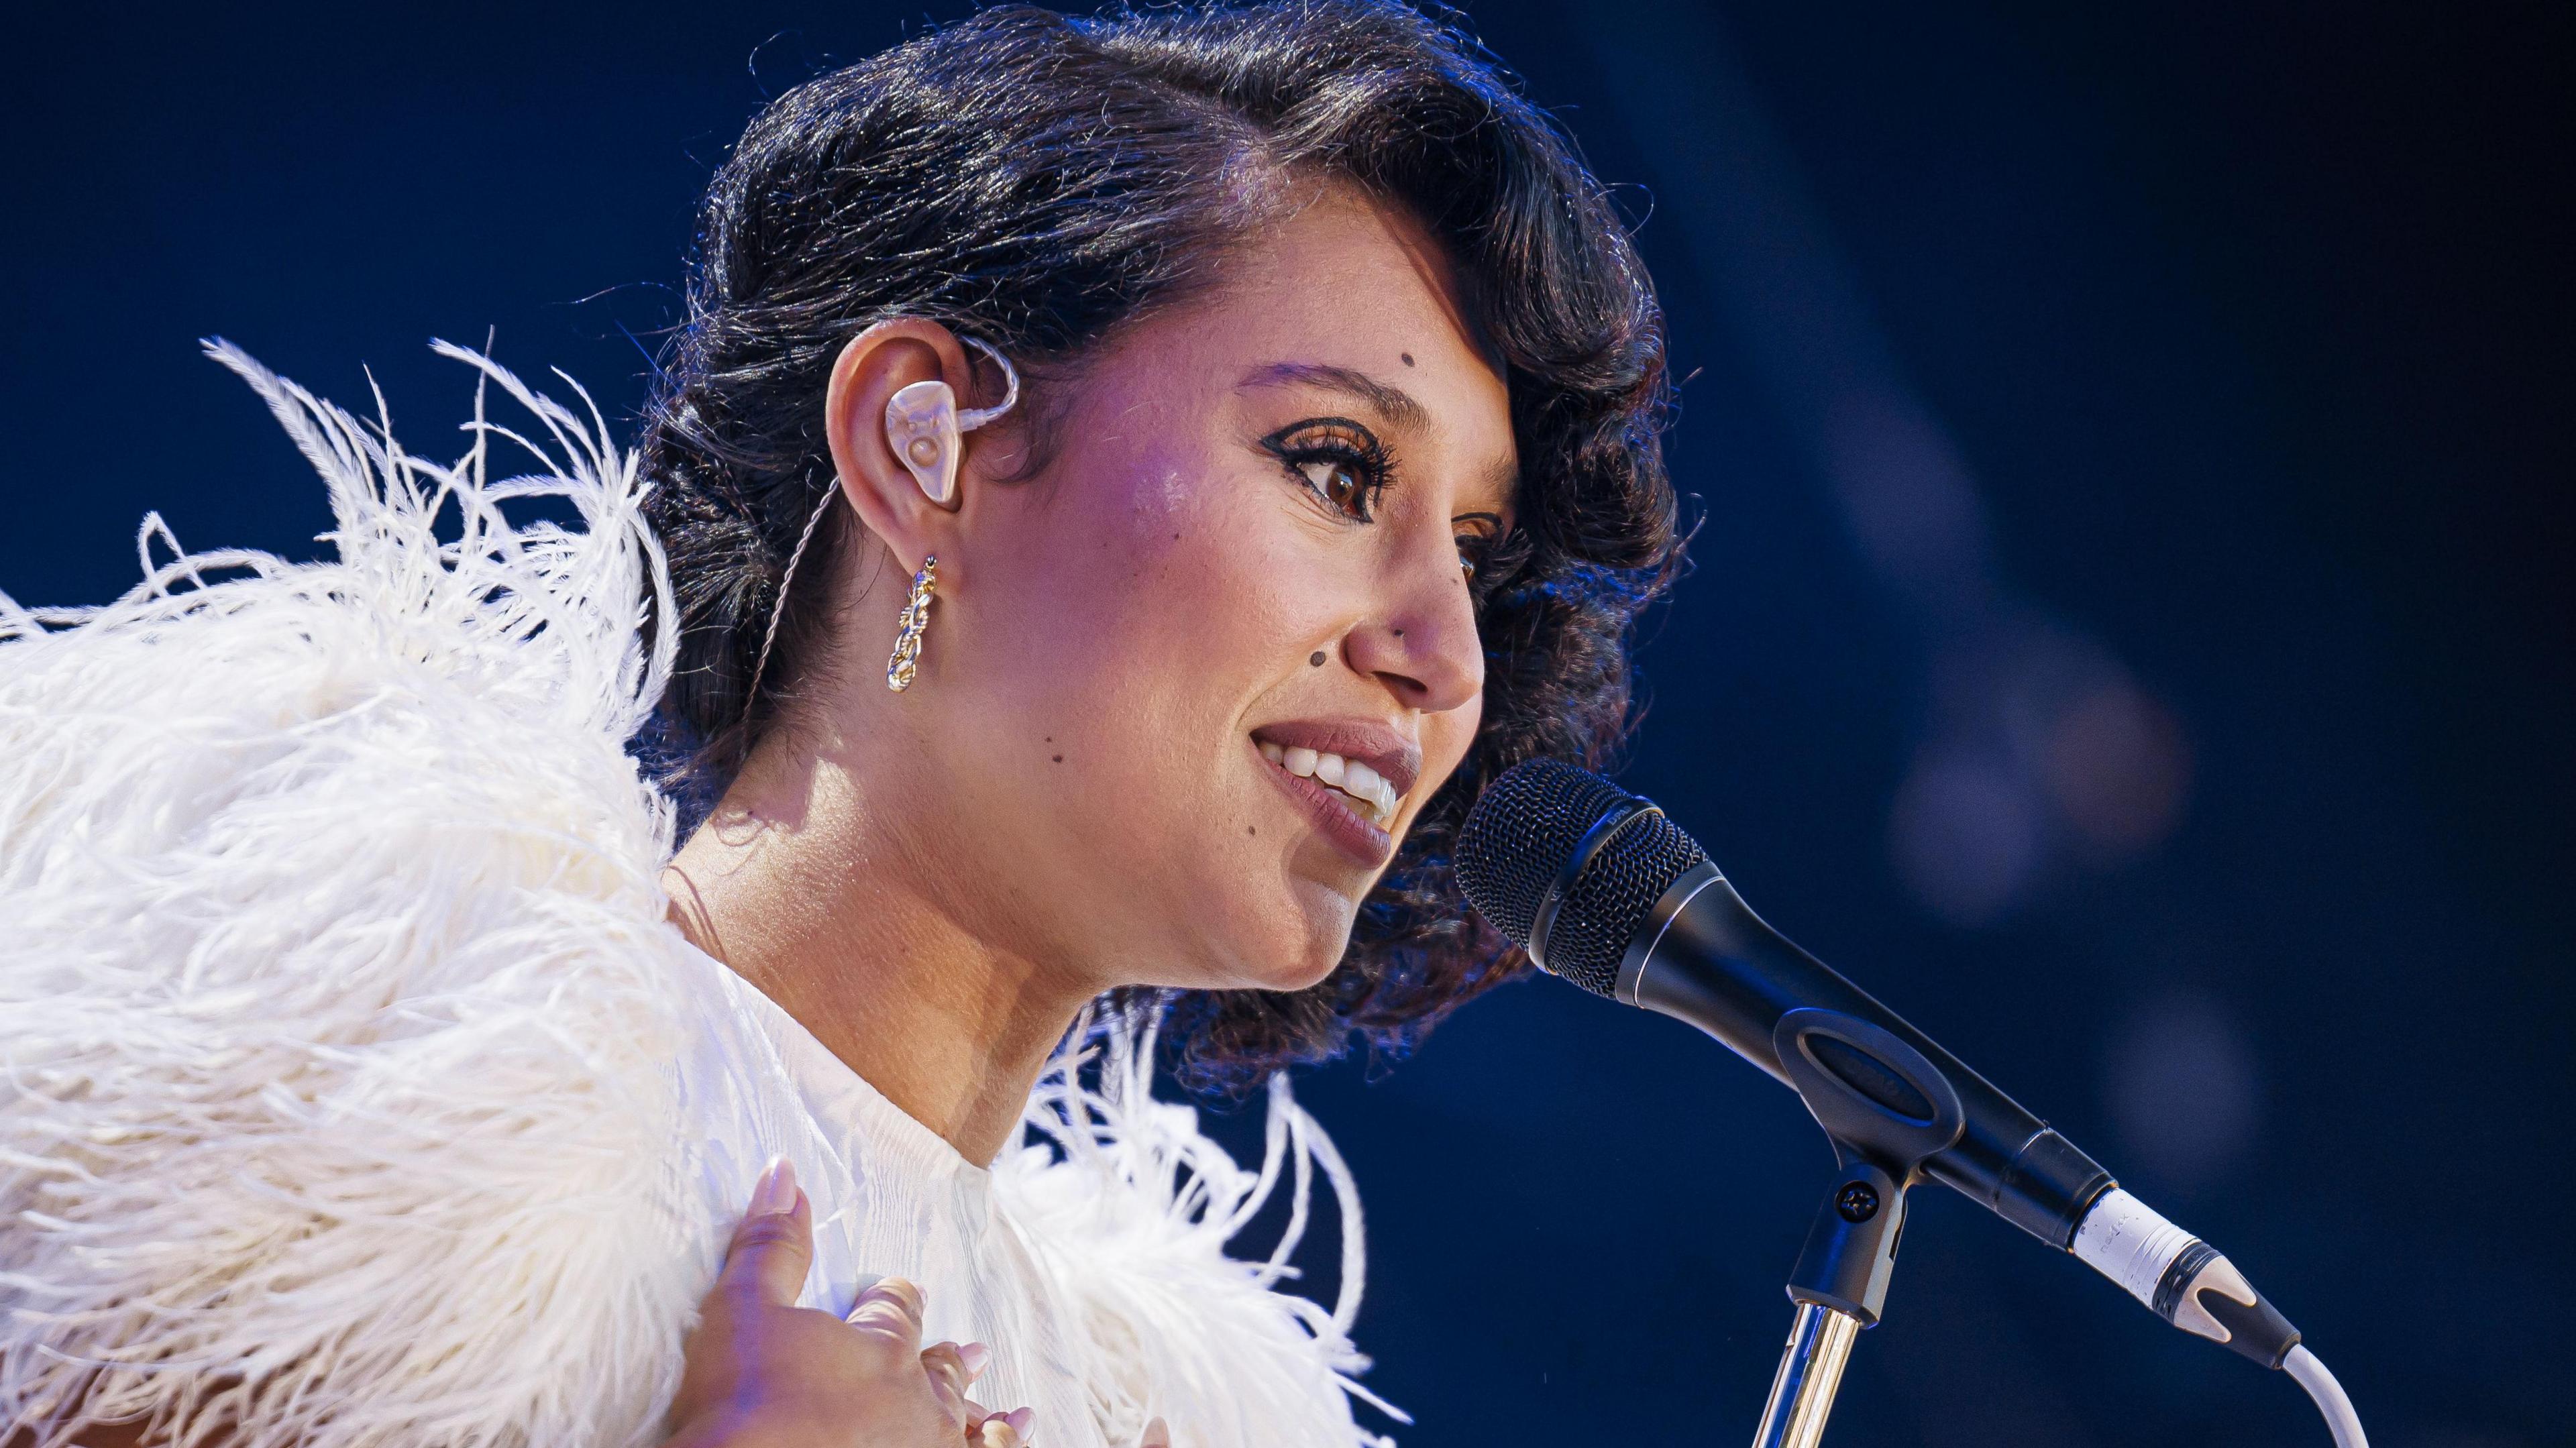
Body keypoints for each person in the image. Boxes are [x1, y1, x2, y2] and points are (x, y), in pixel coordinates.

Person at [0, 3, 1679, 1445]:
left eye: (1472, 552)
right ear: (921, 443)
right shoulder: (348, 1070)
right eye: (1335, 467)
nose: (1444, 651)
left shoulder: (1167, 1403)